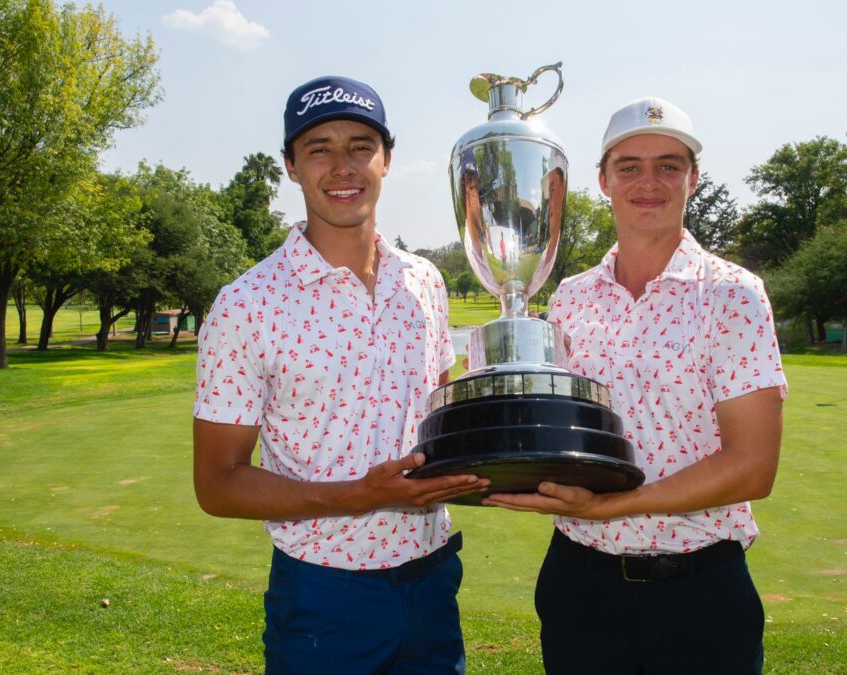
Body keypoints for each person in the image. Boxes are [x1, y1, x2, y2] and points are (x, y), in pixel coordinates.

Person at [192, 75, 487, 674]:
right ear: (290, 167)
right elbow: (216, 483)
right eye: (318, 148)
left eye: (359, 145)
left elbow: (441, 423)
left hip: (433, 579)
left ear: (387, 159)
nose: (342, 165)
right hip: (324, 596)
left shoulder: (425, 282)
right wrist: (357, 496)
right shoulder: (246, 304)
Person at [484, 97, 788, 674]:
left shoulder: (733, 294)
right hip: (580, 583)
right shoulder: (571, 297)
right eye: (629, 166)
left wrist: (610, 506)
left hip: (700, 592)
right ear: (603, 180)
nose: (649, 182)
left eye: (669, 165)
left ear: (693, 179)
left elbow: (753, 467)